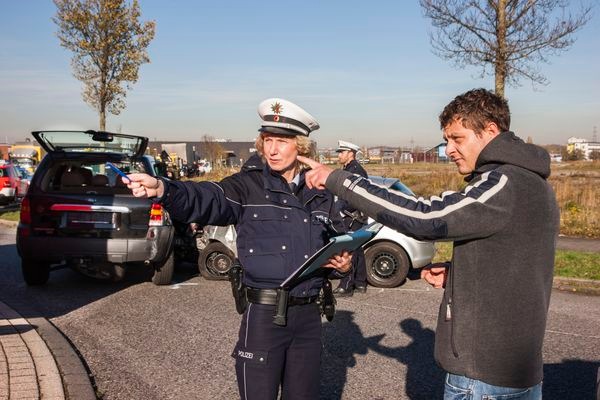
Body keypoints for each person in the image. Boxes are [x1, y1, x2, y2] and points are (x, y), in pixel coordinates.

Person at [300, 88, 559, 400]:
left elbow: (426, 217)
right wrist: (460, 274)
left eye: (457, 138)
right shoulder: (535, 184)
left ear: (490, 131)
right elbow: (517, 263)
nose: (448, 149)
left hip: (484, 379)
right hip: (518, 372)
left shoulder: (501, 185)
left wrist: (340, 180)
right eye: (447, 139)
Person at [125, 98, 351, 400]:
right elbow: (206, 197)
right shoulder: (246, 186)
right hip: (264, 315)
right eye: (267, 140)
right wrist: (165, 189)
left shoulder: (320, 193)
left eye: (281, 142)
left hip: (309, 316)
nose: (271, 149)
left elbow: (337, 242)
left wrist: (343, 266)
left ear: (301, 146)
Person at [332, 140, 369, 297]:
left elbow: (354, 197)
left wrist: (340, 211)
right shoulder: (350, 169)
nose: (339, 155)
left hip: (352, 217)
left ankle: (346, 286)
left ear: (350, 153)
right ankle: (360, 283)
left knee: (347, 251)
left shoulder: (355, 171)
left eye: (341, 152)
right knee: (357, 250)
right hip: (355, 217)